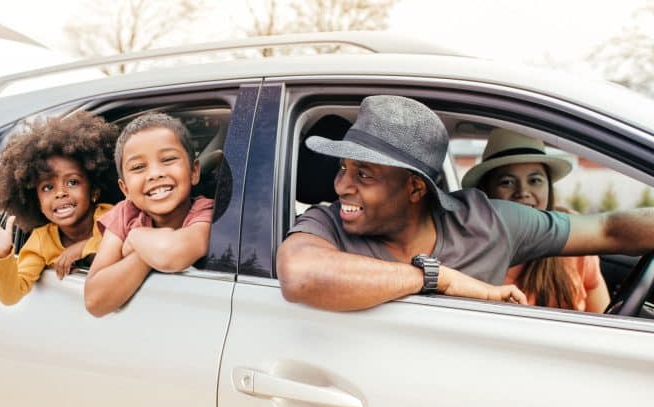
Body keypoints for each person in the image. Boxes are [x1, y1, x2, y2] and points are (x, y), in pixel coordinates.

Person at [277, 95, 654, 312]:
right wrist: (438, 278)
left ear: (414, 188)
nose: (341, 185)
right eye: (342, 168)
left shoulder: (490, 223)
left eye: (364, 174)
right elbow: (301, 274)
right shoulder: (326, 224)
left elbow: (609, 228)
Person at [0, 112, 119, 305]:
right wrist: (1, 255)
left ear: (94, 190)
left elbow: (130, 241)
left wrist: (82, 248)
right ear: (37, 202)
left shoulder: (111, 215)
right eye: (47, 187)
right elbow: (11, 296)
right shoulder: (41, 241)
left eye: (72, 182)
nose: (60, 193)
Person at [461, 129, 610, 312]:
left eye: (535, 180)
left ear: (549, 187)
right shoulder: (470, 248)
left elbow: (603, 319)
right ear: (486, 192)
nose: (522, 192)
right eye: (507, 182)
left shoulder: (574, 233)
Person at [84, 112, 214, 317]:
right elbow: (94, 300)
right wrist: (145, 254)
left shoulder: (205, 211)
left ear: (194, 172)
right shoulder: (125, 213)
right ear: (125, 189)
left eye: (169, 159)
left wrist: (135, 238)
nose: (155, 174)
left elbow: (172, 254)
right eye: (138, 167)